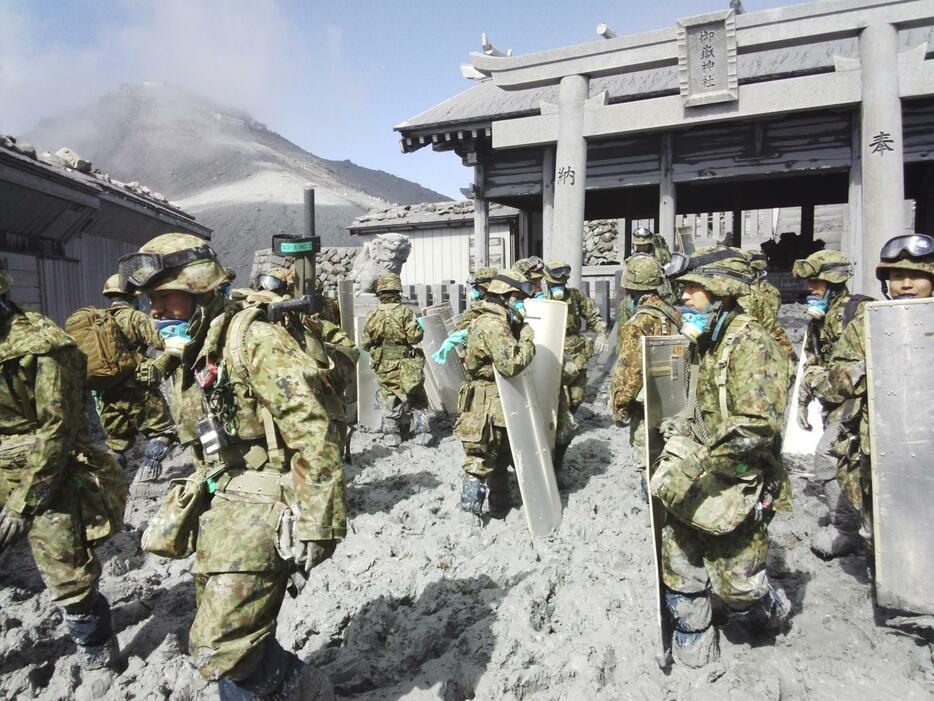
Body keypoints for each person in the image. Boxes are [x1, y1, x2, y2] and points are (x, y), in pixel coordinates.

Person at [118, 233, 343, 699]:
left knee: (220, 645)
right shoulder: (192, 347)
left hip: (263, 497)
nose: (155, 312)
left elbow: (314, 431)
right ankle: (294, 683)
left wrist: (319, 523)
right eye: (150, 301)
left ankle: (303, 686)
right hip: (222, 496)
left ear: (199, 291)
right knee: (234, 627)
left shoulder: (254, 340)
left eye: (165, 298)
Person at [655, 246, 792, 668]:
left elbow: (756, 428)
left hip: (737, 480)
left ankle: (767, 612)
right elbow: (687, 404)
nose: (685, 298)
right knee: (679, 562)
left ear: (721, 292)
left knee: (738, 587)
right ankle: (692, 632)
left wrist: (691, 468)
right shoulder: (701, 340)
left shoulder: (753, 344)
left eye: (694, 289)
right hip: (694, 472)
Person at [0, 268, 127, 687]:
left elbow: (58, 429)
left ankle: (97, 653)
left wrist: (24, 500)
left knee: (67, 572)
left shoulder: (41, 347)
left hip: (44, 470)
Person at [820, 234, 934, 556]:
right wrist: (868, 366)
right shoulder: (866, 323)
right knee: (880, 534)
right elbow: (836, 379)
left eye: (917, 276)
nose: (906, 284)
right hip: (882, 448)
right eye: (897, 277)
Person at [791, 250, 872, 559]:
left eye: (817, 282)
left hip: (858, 407)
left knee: (829, 455)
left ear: (834, 282)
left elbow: (854, 374)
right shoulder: (819, 319)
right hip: (834, 406)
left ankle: (847, 529)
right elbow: (810, 360)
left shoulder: (860, 313)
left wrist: (819, 381)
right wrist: (803, 400)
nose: (811, 288)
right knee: (841, 463)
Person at [456, 270, 535, 518]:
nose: (520, 303)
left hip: (494, 397)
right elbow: (509, 365)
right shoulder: (492, 324)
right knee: (480, 459)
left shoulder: (491, 319)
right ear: (507, 296)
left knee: (500, 457)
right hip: (487, 400)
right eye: (518, 298)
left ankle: (500, 505)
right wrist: (527, 342)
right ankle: (469, 514)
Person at [95, 274, 177, 485]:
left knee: (116, 444)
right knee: (163, 432)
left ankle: (108, 484)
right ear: (132, 296)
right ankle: (147, 477)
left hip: (108, 394)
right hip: (138, 391)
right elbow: (162, 342)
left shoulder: (98, 320)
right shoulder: (135, 317)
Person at [609, 254, 682, 457]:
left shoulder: (639, 322)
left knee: (647, 461)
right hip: (674, 399)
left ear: (631, 288)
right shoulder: (673, 313)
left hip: (646, 406)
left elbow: (631, 372)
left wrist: (620, 406)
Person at [360, 272, 429, 447]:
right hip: (407, 362)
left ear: (380, 294)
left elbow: (365, 343)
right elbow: (415, 338)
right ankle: (422, 433)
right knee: (416, 394)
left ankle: (392, 435)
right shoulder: (406, 312)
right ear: (398, 292)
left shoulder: (372, 314)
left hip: (384, 363)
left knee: (389, 395)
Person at [542, 260, 609, 413]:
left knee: (577, 396)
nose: (561, 283)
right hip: (552, 351)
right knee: (554, 395)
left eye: (564, 279)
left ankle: (570, 417)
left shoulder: (575, 295)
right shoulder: (541, 299)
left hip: (576, 353)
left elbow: (592, 315)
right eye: (556, 281)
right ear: (547, 281)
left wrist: (601, 332)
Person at [739, 250, 794, 358]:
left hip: (759, 344)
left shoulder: (771, 292)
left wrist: (787, 350)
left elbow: (770, 322)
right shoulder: (740, 289)